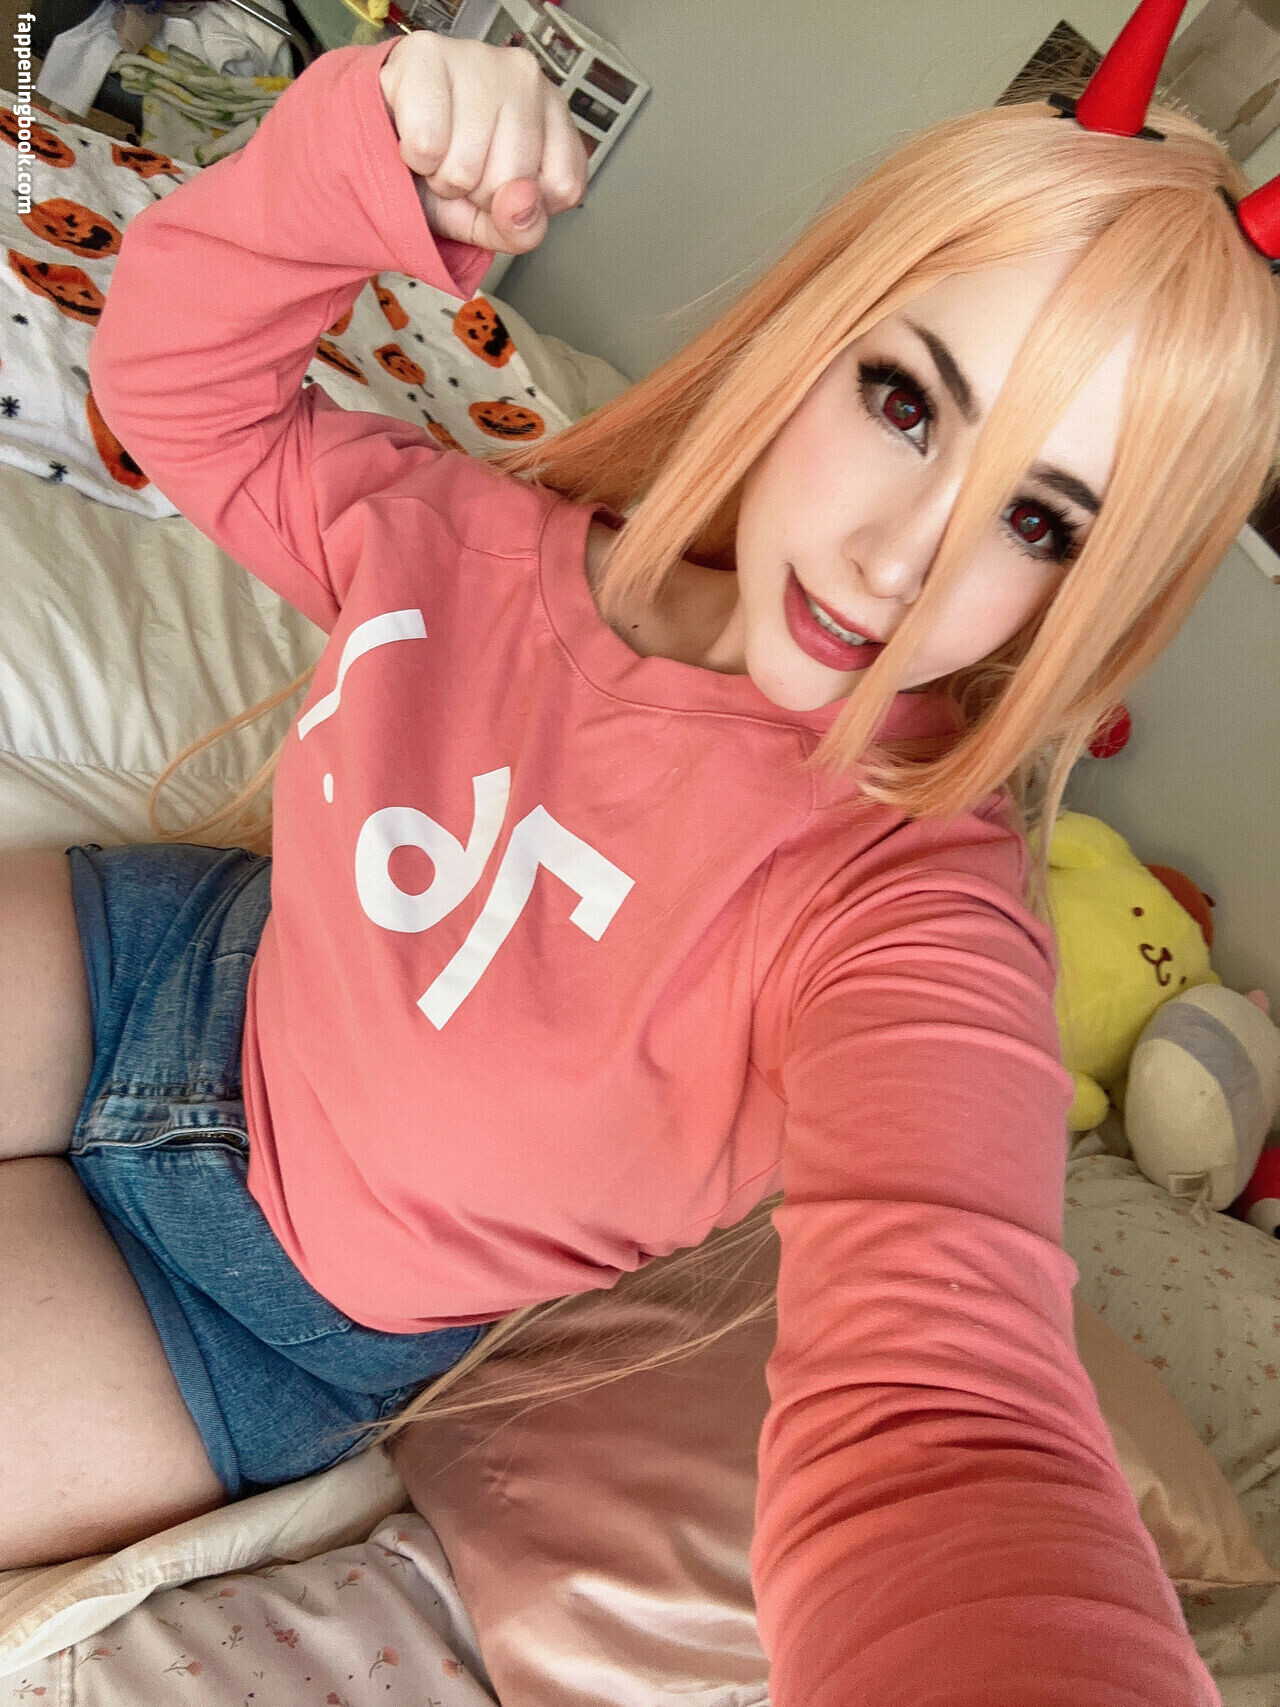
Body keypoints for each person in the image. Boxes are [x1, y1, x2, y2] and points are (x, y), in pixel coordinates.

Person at [4, 2, 1275, 1699]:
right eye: (906, 401)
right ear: (812, 340)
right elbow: (175, 382)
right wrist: (355, 140)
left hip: (260, 1321)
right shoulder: (470, 542)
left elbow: (944, 1409)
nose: (902, 559)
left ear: (1094, 596)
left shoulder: (912, 908)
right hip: (164, 967)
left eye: (1040, 521)